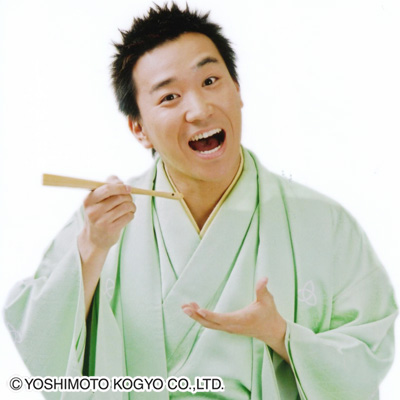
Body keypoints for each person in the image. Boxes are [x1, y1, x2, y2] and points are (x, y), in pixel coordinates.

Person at [4, 3, 397, 399]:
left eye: (210, 81)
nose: (199, 109)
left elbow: (370, 352)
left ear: (237, 90)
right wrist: (91, 249)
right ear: (139, 129)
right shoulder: (102, 224)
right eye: (170, 96)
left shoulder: (323, 223)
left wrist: (281, 335)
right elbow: (38, 340)